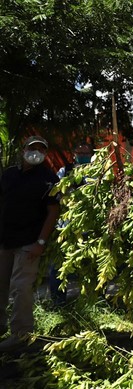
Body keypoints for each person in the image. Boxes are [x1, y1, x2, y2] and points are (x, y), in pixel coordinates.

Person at [0, 135, 60, 352]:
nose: (36, 152)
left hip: (30, 242)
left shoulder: (49, 179)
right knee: (2, 285)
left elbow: (53, 212)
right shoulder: (9, 175)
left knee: (21, 287)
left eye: (41, 150)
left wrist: (41, 242)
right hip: (5, 239)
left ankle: (21, 334)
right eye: (32, 148)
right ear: (23, 149)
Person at [50, 143, 95, 304]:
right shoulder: (64, 171)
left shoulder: (98, 172)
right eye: (79, 152)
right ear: (74, 153)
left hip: (89, 226)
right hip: (66, 226)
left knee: (89, 265)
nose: (82, 155)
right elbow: (56, 194)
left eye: (86, 152)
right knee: (58, 266)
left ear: (91, 154)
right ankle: (58, 301)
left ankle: (90, 300)